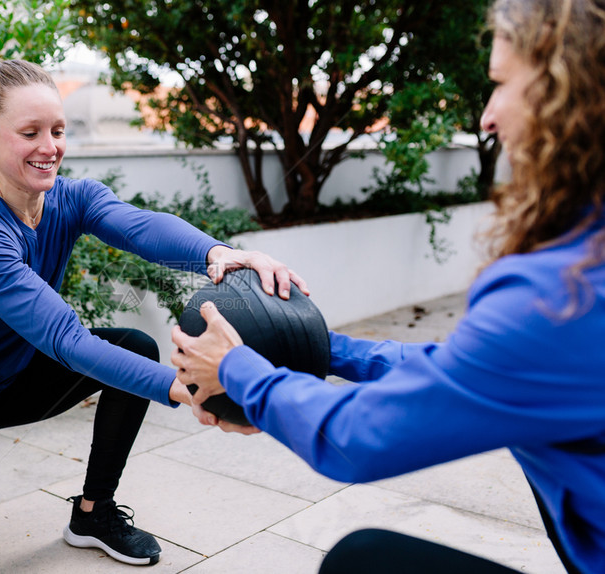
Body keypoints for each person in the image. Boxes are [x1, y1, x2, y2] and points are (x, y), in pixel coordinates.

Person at [171, 1, 605, 573]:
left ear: (568, 97)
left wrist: (238, 371)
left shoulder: (558, 295)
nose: (488, 118)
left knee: (363, 561)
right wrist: (319, 349)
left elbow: (358, 438)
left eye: (501, 85)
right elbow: (462, 372)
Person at [0, 58, 305, 574]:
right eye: (29, 132)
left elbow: (141, 227)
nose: (49, 147)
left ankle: (93, 514)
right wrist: (187, 387)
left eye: (57, 130)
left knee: (132, 346)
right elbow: (63, 337)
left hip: (8, 387)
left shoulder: (70, 198)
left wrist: (219, 254)